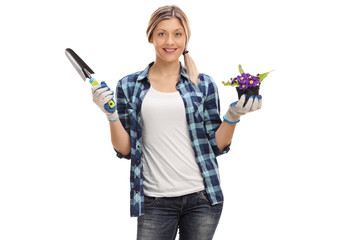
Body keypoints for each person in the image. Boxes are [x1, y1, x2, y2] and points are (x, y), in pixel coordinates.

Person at [91, 5, 262, 240]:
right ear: (150, 36)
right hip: (153, 201)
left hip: (202, 198)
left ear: (185, 38)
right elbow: (125, 149)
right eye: (161, 33)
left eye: (177, 33)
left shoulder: (204, 84)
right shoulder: (129, 86)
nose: (169, 41)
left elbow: (216, 146)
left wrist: (232, 116)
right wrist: (110, 114)